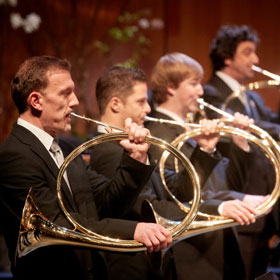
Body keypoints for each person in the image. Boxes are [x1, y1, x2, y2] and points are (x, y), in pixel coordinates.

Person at [0, 56, 174, 280]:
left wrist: (136, 157)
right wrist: (133, 231)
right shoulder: (14, 155)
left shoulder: (64, 148)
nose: (74, 102)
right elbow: (59, 224)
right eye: (65, 93)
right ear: (36, 101)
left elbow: (108, 203)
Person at [90, 65, 266, 280]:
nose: (148, 108)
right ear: (115, 104)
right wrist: (218, 208)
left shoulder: (127, 146)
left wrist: (205, 149)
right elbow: (149, 207)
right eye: (140, 101)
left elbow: (176, 191)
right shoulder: (108, 150)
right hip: (134, 267)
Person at [145, 52, 272, 280]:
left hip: (217, 242)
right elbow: (176, 193)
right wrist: (237, 198)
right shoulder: (159, 134)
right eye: (194, 84)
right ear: (171, 87)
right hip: (193, 253)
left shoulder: (192, 130)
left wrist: (240, 142)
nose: (201, 91)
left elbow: (224, 180)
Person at [202, 25, 279, 280]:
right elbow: (256, 130)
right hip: (239, 195)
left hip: (265, 204)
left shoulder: (253, 98)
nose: (256, 60)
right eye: (248, 53)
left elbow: (274, 126)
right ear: (227, 57)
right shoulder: (211, 93)